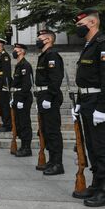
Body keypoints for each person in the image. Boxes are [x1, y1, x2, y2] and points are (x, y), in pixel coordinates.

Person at [73, 8, 105, 207]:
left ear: (92, 23)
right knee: (91, 146)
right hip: (87, 101)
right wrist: (79, 103)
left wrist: (102, 107)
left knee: (103, 146)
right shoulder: (89, 45)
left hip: (99, 102)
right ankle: (96, 183)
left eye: (80, 25)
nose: (77, 29)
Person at [34, 29, 64, 175]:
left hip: (49, 97)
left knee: (53, 131)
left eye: (40, 38)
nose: (37, 40)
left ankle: (57, 163)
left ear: (48, 40)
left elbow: (55, 79)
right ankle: (51, 161)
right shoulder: (44, 55)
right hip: (42, 95)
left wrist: (49, 97)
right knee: (45, 130)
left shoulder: (52, 55)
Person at [11, 43, 33, 157]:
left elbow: (27, 84)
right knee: (19, 123)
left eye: (16, 50)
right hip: (18, 95)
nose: (14, 52)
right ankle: (22, 145)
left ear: (22, 51)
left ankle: (26, 147)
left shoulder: (25, 65)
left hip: (24, 97)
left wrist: (21, 99)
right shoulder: (18, 65)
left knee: (24, 123)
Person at [0, 36, 12, 132]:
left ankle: (8, 124)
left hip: (4, 83)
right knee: (1, 104)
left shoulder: (5, 56)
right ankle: (4, 122)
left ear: (1, 44)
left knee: (5, 105)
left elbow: (7, 72)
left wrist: (6, 85)